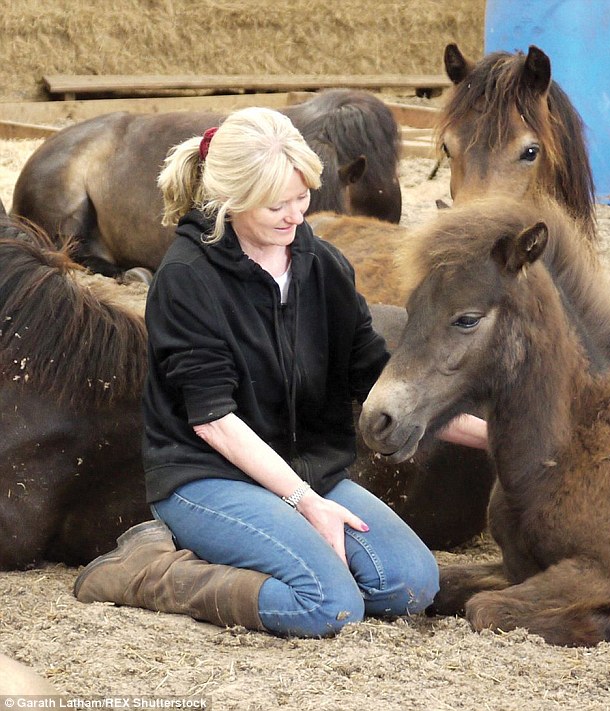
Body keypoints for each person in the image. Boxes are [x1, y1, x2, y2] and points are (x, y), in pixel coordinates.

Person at [73, 106, 487, 637]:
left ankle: (271, 545)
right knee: (327, 606)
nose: (295, 216)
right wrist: (307, 506)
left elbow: (379, 383)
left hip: (305, 466)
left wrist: (496, 437)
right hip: (207, 474)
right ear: (230, 199)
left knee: (409, 585)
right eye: (276, 205)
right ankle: (149, 570)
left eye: (302, 198)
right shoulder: (185, 278)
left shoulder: (324, 266)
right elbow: (212, 421)